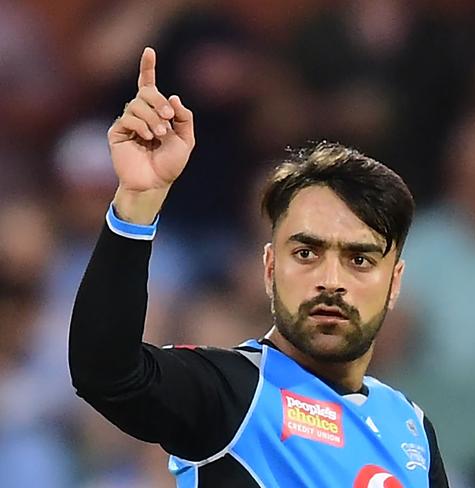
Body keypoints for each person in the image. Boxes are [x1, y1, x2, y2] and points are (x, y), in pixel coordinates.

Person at [68, 47, 448, 487]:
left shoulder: (412, 430)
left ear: (394, 282)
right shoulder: (231, 392)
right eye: (306, 254)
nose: (330, 281)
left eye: (359, 260)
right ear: (269, 267)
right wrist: (136, 201)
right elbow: (105, 373)